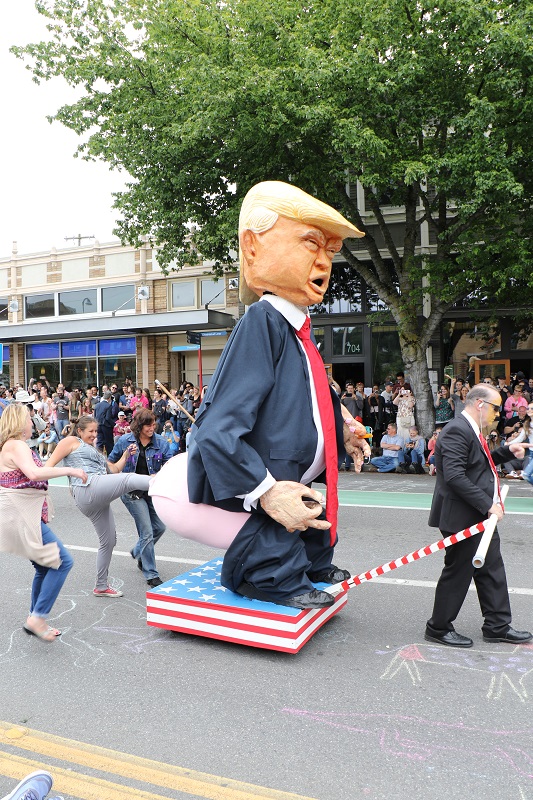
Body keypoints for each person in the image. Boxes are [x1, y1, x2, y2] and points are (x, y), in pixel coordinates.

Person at [184, 182, 368, 608]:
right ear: (253, 248)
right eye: (310, 243)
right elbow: (216, 426)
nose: (324, 262)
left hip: (301, 473)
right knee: (278, 526)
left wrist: (342, 431)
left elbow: (310, 398)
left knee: (309, 517)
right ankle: (266, 574)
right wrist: (264, 489)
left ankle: (309, 563)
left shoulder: (297, 330)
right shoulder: (262, 322)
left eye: (330, 251)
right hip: (273, 473)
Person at [425, 384, 532, 647]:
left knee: (491, 569)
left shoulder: (471, 429)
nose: (498, 414)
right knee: (459, 571)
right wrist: (488, 504)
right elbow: (454, 476)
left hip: (478, 515)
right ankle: (438, 627)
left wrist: (507, 451)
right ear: (480, 404)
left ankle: (497, 625)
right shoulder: (457, 430)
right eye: (496, 408)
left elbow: (477, 464)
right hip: (462, 516)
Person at [0, 404, 87, 642]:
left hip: (17, 515)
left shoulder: (10, 446)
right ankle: (37, 618)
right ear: (20, 423)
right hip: (21, 516)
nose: (32, 422)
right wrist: (71, 470)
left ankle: (34, 617)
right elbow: (34, 474)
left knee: (43, 567)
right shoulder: (16, 445)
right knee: (62, 562)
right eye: (30, 418)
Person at [47, 416, 153, 597]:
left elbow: (114, 470)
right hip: (86, 487)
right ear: (79, 431)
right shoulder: (71, 441)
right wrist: (70, 472)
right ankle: (163, 483)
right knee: (128, 480)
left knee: (109, 541)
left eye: (96, 431)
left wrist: (126, 455)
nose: (94, 435)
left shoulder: (95, 451)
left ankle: (101, 586)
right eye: (91, 431)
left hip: (97, 494)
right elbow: (48, 466)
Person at [108, 409, 172, 588]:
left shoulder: (161, 442)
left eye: (154, 425)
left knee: (159, 527)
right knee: (147, 532)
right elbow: (110, 462)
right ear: (139, 426)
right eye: (148, 425)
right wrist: (125, 457)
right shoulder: (125, 441)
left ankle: (139, 551)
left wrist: (160, 474)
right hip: (131, 492)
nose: (152, 428)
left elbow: (169, 464)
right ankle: (151, 574)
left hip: (151, 490)